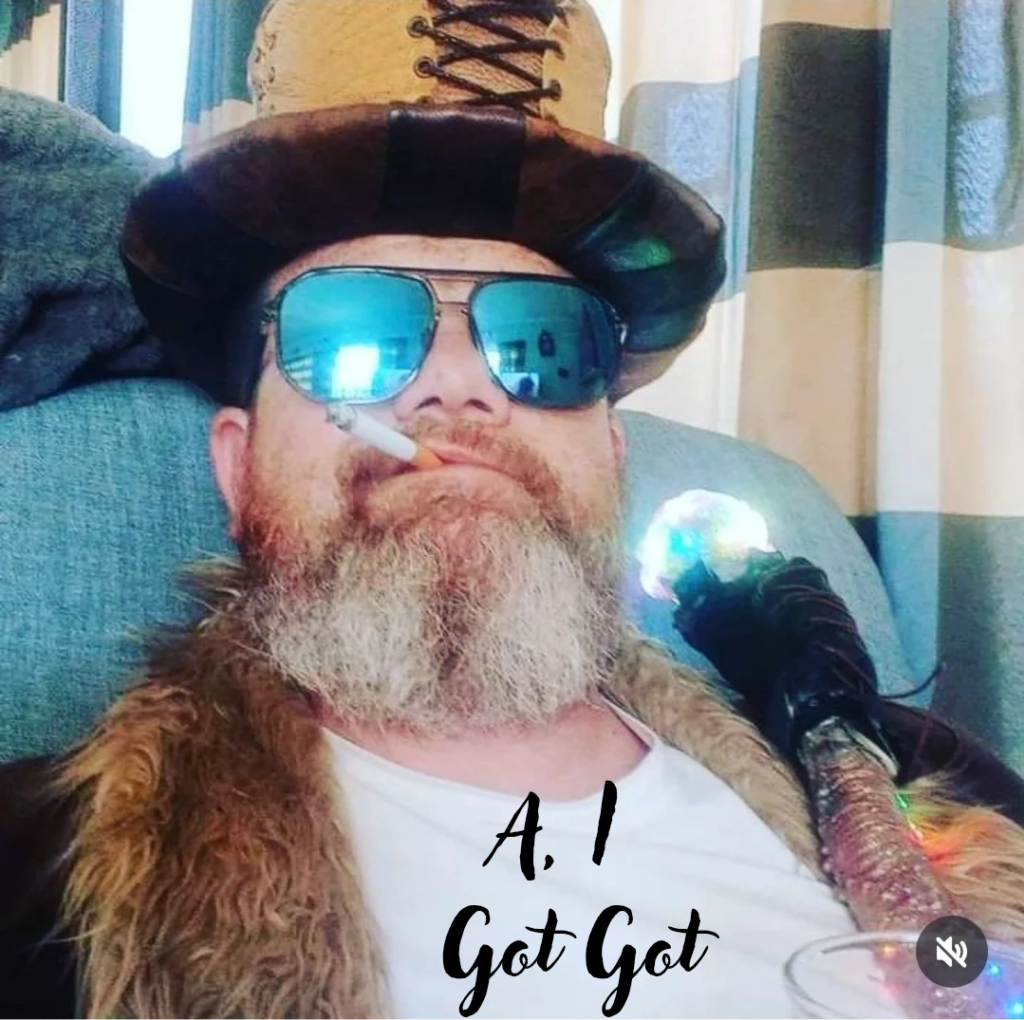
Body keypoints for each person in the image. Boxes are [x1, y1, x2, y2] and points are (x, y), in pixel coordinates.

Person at [1, 2, 1022, 1018]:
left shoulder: (908, 780)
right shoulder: (42, 882)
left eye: (545, 343)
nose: (456, 386)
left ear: (610, 457)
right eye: (349, 336)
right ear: (238, 466)